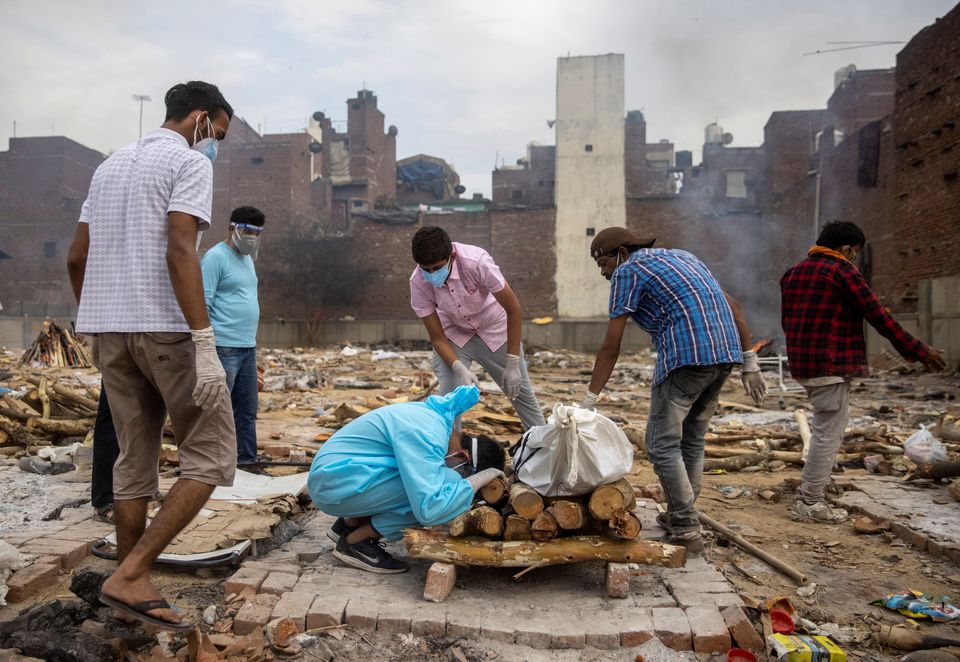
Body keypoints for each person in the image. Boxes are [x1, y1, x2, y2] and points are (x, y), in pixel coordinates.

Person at [67, 81, 235, 631]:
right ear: (201, 118)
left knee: (133, 457)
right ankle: (134, 572)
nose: (216, 145)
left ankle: (128, 591)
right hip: (164, 329)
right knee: (211, 455)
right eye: (218, 133)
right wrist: (204, 340)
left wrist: (93, 317)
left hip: (109, 330)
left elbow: (77, 257)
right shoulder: (189, 163)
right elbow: (180, 248)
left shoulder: (108, 167)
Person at [580, 227, 767, 553]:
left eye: (603, 263)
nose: (603, 272)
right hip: (724, 355)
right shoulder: (683, 257)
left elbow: (611, 345)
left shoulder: (628, 271)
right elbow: (734, 307)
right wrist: (750, 359)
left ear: (621, 253)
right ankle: (682, 514)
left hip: (686, 356)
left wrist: (589, 399)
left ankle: (685, 526)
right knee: (691, 438)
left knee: (661, 444)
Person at [780, 221, 945, 523]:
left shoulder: (793, 272)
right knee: (828, 433)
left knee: (824, 428)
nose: (854, 258)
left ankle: (816, 487)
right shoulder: (842, 271)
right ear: (846, 249)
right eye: (854, 252)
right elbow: (879, 317)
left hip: (804, 365)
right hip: (830, 364)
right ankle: (810, 501)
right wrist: (919, 350)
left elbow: (787, 321)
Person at [308, 385, 506, 574]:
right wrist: (476, 481)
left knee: (423, 479)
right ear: (463, 457)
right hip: (334, 486)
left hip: (335, 478)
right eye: (466, 473)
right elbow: (431, 508)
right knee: (447, 485)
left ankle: (351, 523)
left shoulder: (436, 423)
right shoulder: (429, 435)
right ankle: (357, 542)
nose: (463, 477)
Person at [409, 226, 546, 430]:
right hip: (455, 334)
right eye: (425, 269)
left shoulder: (476, 262)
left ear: (451, 256)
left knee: (521, 393)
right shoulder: (418, 282)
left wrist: (512, 362)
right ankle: (451, 448)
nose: (431, 274)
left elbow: (513, 310)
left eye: (437, 268)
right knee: (449, 401)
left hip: (494, 330)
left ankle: (543, 445)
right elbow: (437, 337)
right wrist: (458, 367)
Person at [201, 206, 265, 473]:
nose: (252, 238)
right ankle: (212, 467)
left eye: (257, 233)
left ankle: (247, 462)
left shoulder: (248, 259)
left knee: (247, 409)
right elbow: (202, 302)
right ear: (232, 228)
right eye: (248, 231)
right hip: (223, 347)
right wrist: (204, 348)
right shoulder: (215, 258)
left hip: (247, 347)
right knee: (217, 411)